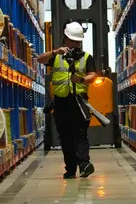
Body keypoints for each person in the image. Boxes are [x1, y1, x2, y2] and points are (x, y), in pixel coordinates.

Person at [38, 21, 100, 179]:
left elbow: (93, 75)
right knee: (65, 137)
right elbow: (40, 59)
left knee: (80, 134)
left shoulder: (86, 57)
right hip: (61, 103)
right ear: (65, 39)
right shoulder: (57, 57)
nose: (74, 45)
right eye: (72, 41)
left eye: (77, 42)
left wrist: (80, 80)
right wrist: (55, 52)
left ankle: (84, 164)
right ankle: (70, 169)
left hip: (79, 102)